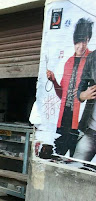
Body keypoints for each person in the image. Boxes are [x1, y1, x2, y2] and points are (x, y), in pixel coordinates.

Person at [46, 18, 93, 156]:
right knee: (58, 156)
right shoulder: (68, 62)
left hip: (81, 122)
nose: (80, 46)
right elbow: (62, 95)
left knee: (76, 160)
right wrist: (54, 81)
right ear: (73, 41)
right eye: (78, 41)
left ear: (89, 39)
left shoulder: (92, 59)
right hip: (64, 120)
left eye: (84, 41)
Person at [74, 49, 96, 162]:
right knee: (75, 168)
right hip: (91, 130)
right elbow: (80, 92)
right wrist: (83, 95)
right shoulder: (92, 57)